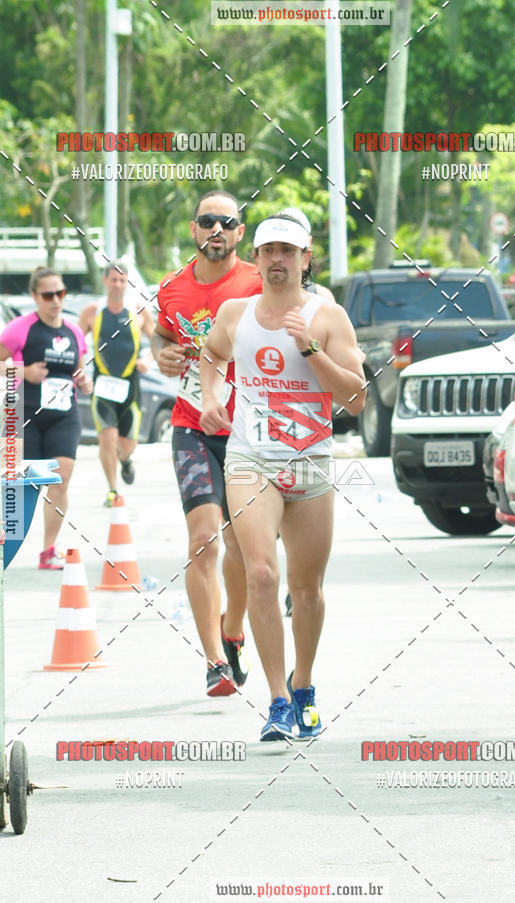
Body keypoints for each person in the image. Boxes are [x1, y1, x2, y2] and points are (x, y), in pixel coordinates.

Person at [199, 214, 365, 740]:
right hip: (251, 461)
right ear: (257, 258)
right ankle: (277, 701)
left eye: (287, 251)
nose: (277, 259)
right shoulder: (234, 313)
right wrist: (210, 396)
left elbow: (356, 399)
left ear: (305, 259)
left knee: (306, 589)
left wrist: (310, 349)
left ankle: (304, 685)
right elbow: (212, 352)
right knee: (262, 574)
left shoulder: (328, 316)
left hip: (310, 461)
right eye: (269, 250)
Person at [152, 189, 263, 696]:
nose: (217, 229)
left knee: (242, 546)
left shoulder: (257, 283)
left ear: (240, 232)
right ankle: (215, 661)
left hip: (247, 431)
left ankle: (233, 628)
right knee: (203, 541)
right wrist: (162, 353)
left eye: (228, 222)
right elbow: (162, 335)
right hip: (191, 426)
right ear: (194, 229)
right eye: (207, 221)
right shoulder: (171, 287)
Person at [0, 267, 92, 568]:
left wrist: (85, 381)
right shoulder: (20, 328)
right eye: (48, 295)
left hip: (64, 414)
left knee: (61, 479)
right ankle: (6, 548)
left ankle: (48, 550)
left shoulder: (74, 332)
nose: (56, 300)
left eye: (60, 293)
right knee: (17, 485)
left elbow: (79, 370)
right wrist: (24, 371)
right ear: (35, 296)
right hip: (23, 412)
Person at [78, 261, 155, 507]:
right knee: (107, 436)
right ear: (105, 281)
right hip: (103, 384)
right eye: (113, 279)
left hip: (130, 386)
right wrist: (80, 372)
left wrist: (148, 360)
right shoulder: (92, 311)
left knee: (127, 444)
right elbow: (77, 343)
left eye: (122, 280)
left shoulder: (138, 311)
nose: (118, 284)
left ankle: (125, 459)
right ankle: (113, 490)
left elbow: (158, 341)